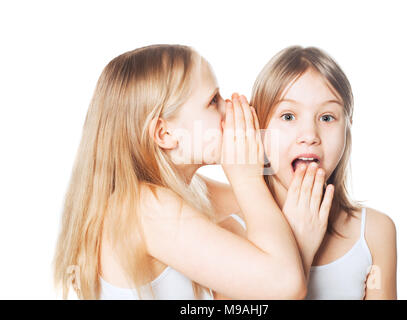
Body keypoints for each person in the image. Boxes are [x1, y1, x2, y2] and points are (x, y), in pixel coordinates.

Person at [53, 44, 313, 300]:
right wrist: (247, 178)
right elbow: (285, 285)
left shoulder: (190, 189)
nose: (230, 109)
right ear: (165, 133)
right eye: (213, 101)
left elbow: (277, 202)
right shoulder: (144, 208)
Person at [247, 45, 398, 299]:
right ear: (259, 129)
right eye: (288, 116)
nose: (309, 135)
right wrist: (299, 249)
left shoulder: (374, 232)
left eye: (327, 118)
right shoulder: (233, 233)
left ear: (347, 129)